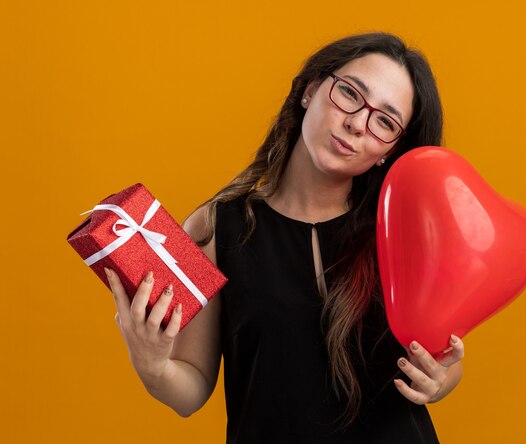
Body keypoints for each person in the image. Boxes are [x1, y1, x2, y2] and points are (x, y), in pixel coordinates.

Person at [104, 32, 465, 443]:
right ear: (311, 90)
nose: (357, 124)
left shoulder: (403, 230)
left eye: (385, 121)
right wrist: (152, 366)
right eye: (349, 94)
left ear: (389, 150)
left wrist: (441, 380)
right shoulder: (213, 227)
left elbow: (445, 360)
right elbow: (192, 389)